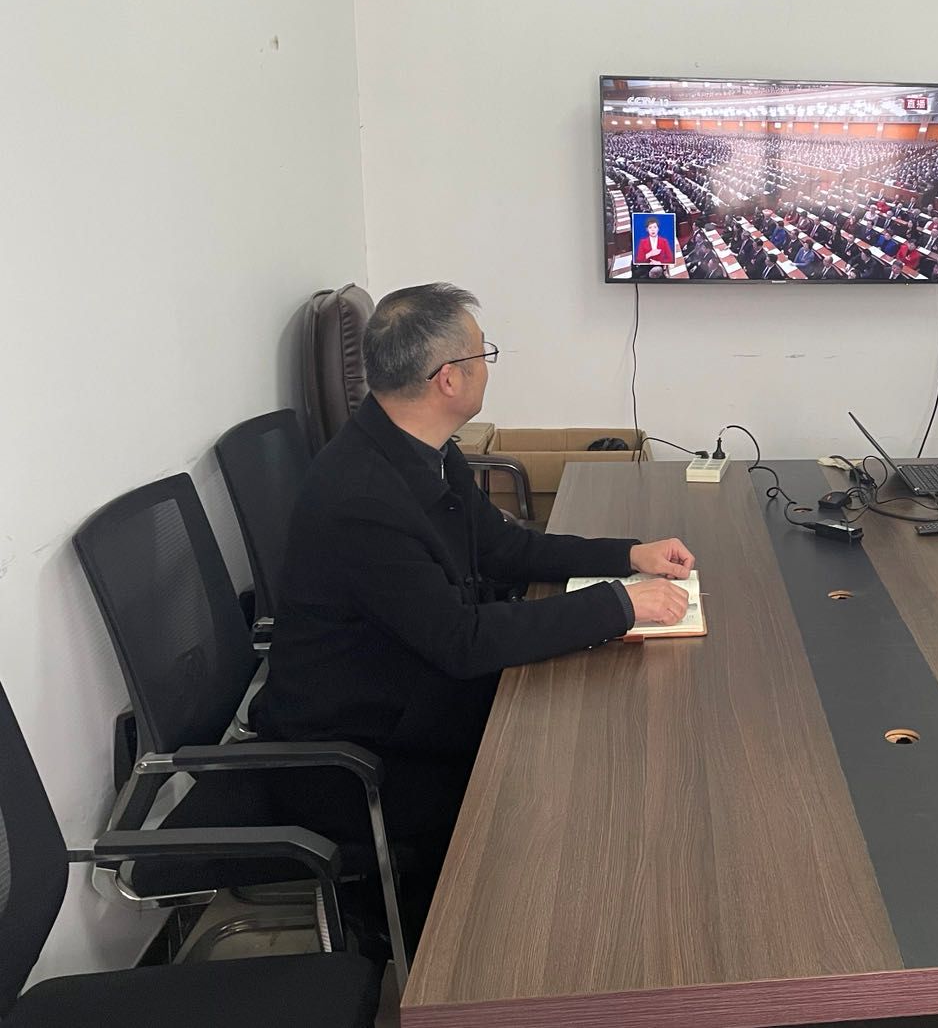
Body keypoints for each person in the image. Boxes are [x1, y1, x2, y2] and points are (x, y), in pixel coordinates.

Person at [251, 284, 695, 932]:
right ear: (449, 378)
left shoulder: (416, 446)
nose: (489, 365)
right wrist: (619, 606)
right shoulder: (363, 498)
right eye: (483, 353)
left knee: (582, 724)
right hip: (359, 748)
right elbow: (462, 642)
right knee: (566, 774)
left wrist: (627, 555)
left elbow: (502, 547)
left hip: (408, 688)